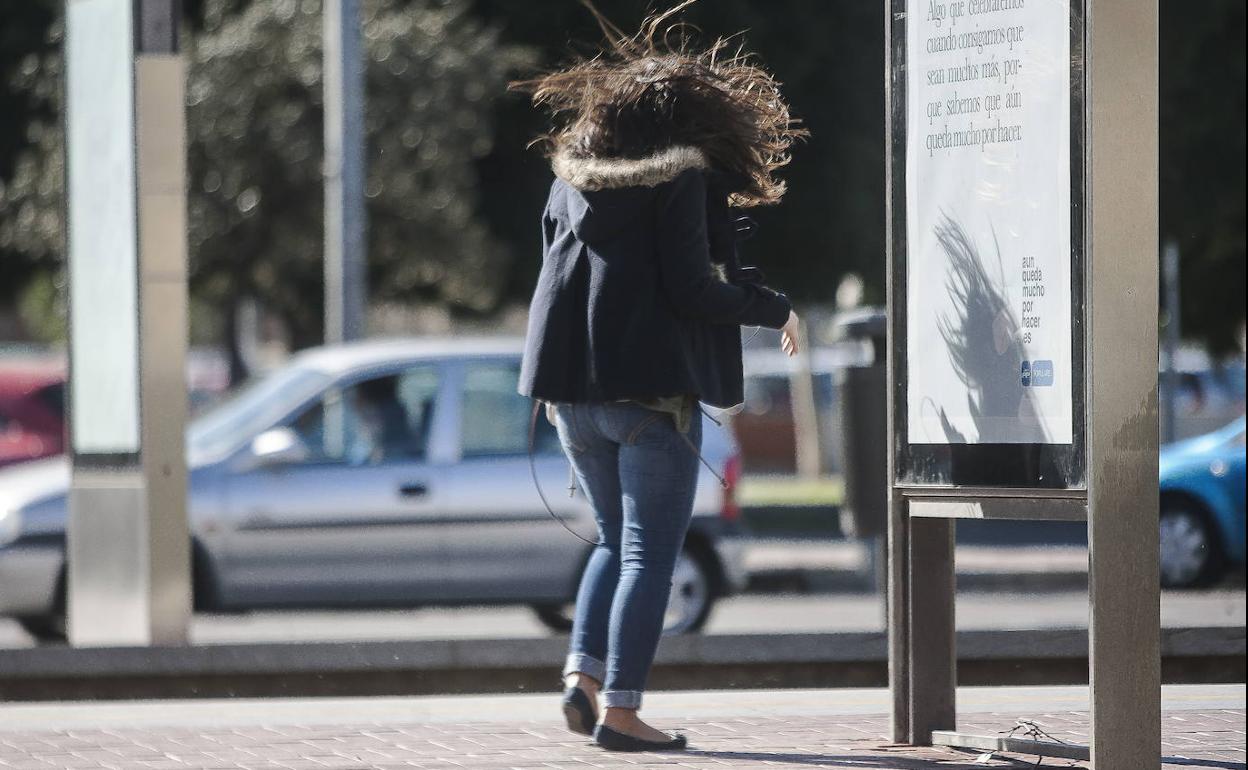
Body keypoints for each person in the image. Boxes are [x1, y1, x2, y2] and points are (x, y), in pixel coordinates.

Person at [514, 1, 805, 753]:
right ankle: (622, 710)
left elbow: (549, 282)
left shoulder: (568, 182)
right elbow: (692, 291)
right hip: (650, 395)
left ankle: (581, 677)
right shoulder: (678, 182)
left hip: (571, 397)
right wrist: (773, 308)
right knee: (649, 553)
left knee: (613, 540)